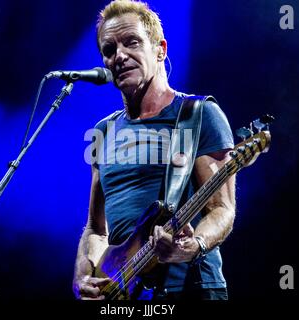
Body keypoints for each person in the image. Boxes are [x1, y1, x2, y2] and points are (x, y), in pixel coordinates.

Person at [73, 0, 236, 300]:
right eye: (109, 50)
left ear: (160, 49)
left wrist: (194, 244)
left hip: (189, 288)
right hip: (129, 292)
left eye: (131, 42)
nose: (119, 56)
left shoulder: (197, 115)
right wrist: (84, 273)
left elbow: (222, 209)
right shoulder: (103, 131)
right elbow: (96, 229)